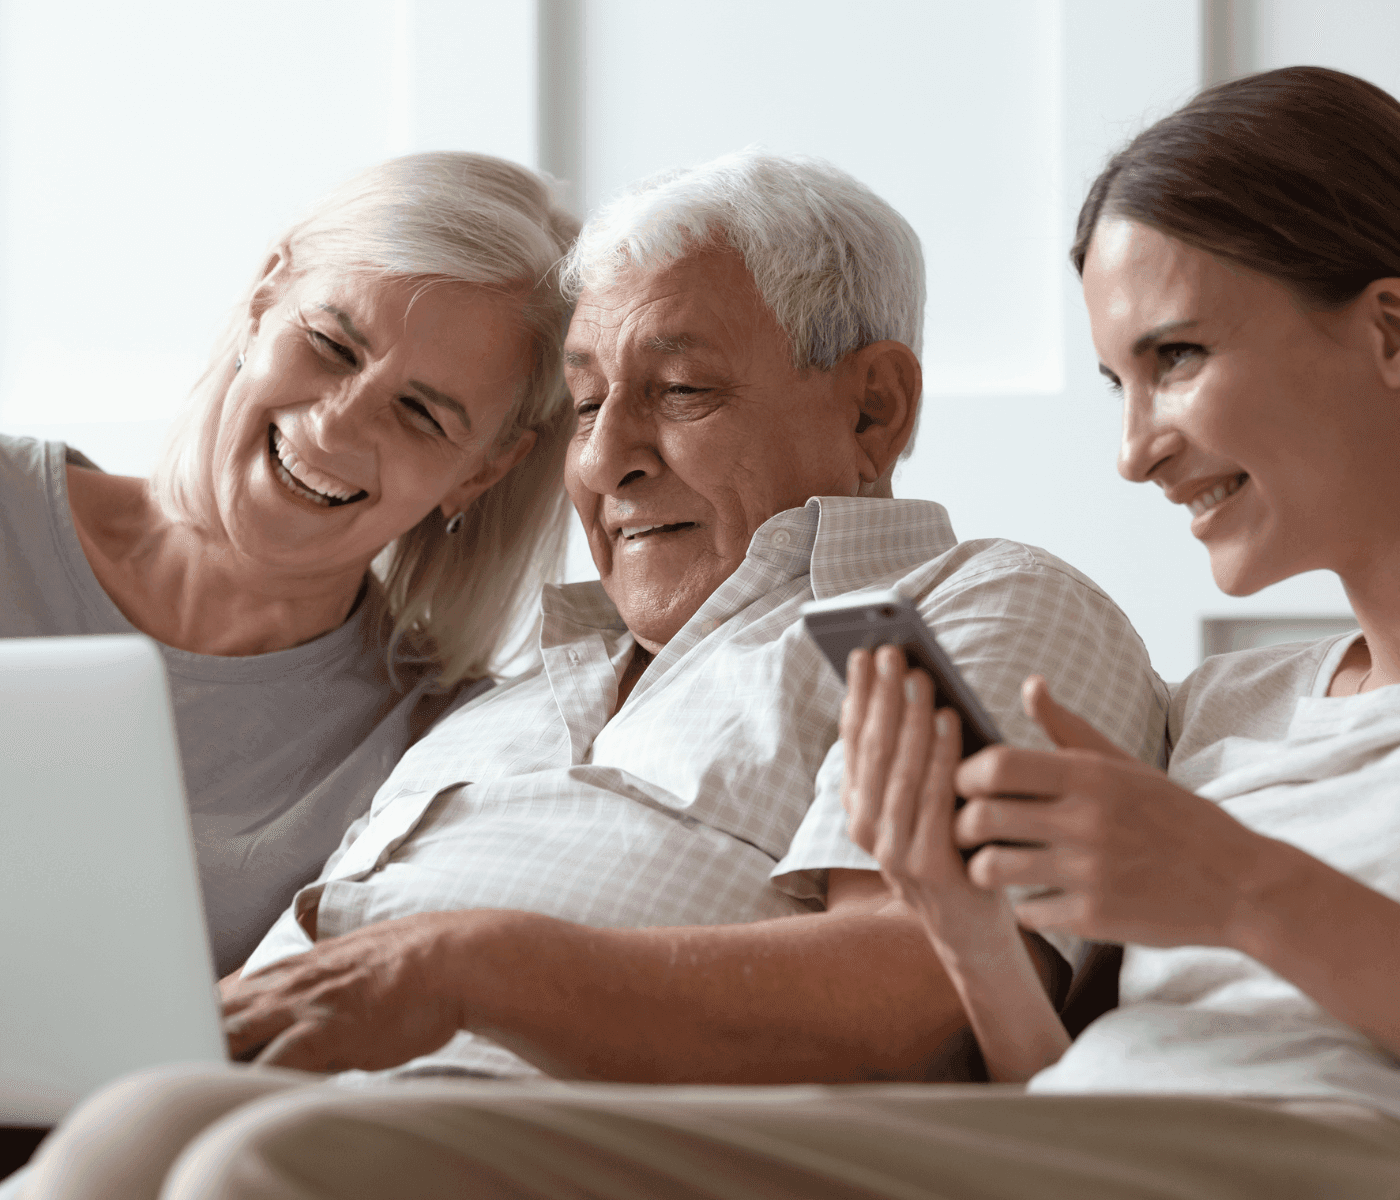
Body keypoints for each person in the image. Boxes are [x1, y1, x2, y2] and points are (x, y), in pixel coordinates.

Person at [10, 148, 1168, 1198]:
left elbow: (920, 990)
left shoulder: (966, 604)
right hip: (248, 1108)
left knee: (231, 1161)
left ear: (873, 409)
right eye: (584, 404)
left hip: (538, 1145)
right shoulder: (494, 696)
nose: (606, 459)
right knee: (142, 1138)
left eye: (679, 391)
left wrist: (472, 969)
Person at [0, 152, 579, 977]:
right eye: (332, 345)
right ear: (266, 295)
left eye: (421, 414)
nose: (338, 426)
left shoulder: (434, 746)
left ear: (483, 471)